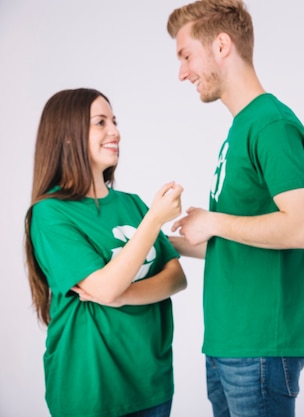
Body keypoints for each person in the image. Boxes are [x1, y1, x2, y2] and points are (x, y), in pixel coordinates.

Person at [165, 1, 304, 416]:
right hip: (227, 343)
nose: (182, 72)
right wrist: (168, 238)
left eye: (186, 55)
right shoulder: (241, 128)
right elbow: (242, 241)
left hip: (260, 349)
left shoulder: (271, 125)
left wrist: (213, 220)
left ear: (221, 45)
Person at [24, 88, 187, 417]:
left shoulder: (131, 203)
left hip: (151, 383)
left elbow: (175, 278)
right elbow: (104, 287)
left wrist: (122, 295)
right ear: (67, 137)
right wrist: (154, 220)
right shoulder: (50, 214)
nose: (115, 131)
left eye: (114, 121)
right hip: (91, 390)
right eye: (100, 122)